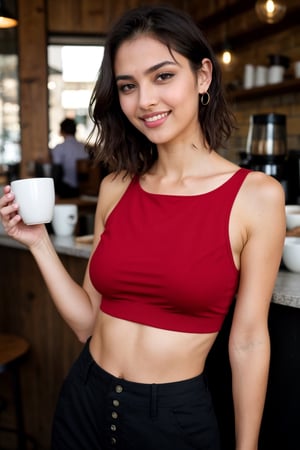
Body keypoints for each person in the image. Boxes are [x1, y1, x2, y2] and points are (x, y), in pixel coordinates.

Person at [0, 5, 286, 450]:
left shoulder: (257, 196)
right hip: (82, 403)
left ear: (203, 76)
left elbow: (248, 342)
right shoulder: (116, 187)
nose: (145, 100)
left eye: (163, 76)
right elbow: (85, 323)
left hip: (172, 422)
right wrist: (38, 243)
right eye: (128, 86)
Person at [51, 117, 89, 198]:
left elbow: (56, 172)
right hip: (84, 189)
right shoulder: (84, 147)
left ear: (61, 131)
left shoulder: (59, 148)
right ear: (75, 131)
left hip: (65, 189)